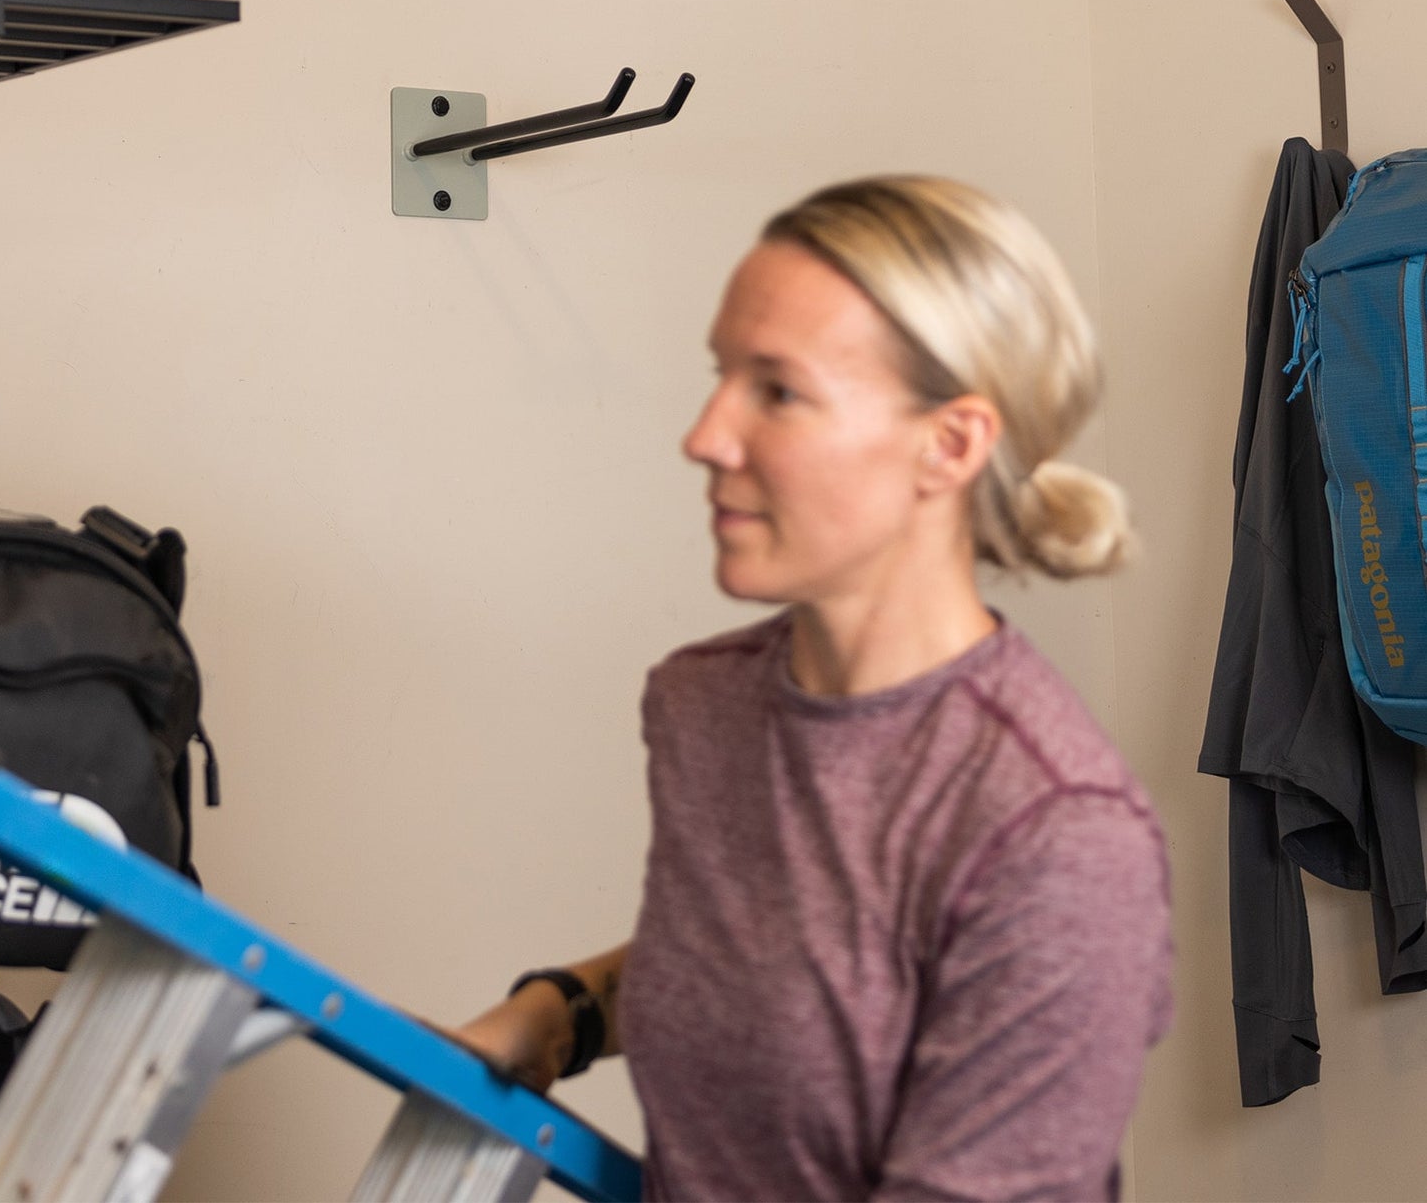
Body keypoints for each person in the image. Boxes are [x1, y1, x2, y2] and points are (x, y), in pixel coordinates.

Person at [454, 176, 1172, 1201]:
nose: (704, 434)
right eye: (719, 376)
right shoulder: (702, 705)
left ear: (950, 443)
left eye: (775, 390)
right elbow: (789, 965)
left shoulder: (1054, 831)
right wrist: (556, 1013)